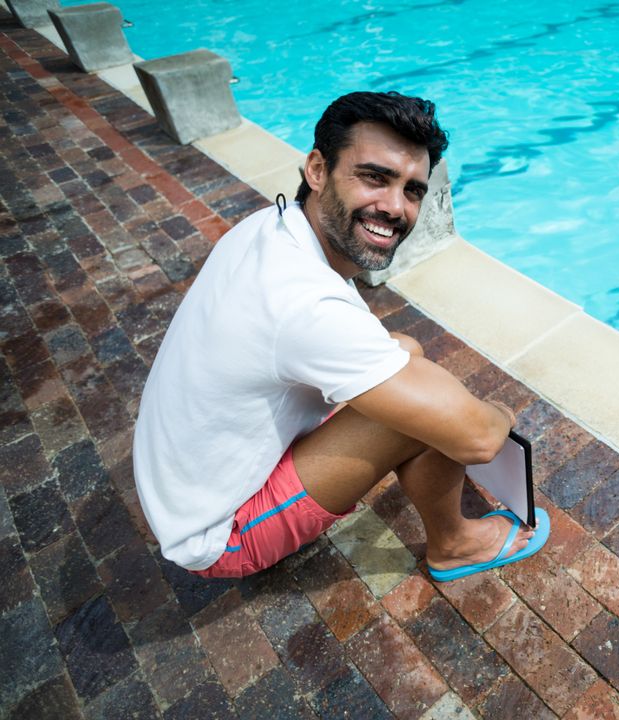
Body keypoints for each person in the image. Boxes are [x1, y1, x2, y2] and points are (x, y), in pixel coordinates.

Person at [132, 91, 549, 580]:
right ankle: (455, 545)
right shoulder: (303, 302)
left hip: (183, 479)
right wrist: (498, 414)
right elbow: (477, 439)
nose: (395, 207)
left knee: (407, 356)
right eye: (374, 177)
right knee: (423, 417)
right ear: (317, 170)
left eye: (413, 190)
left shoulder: (274, 226)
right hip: (216, 533)